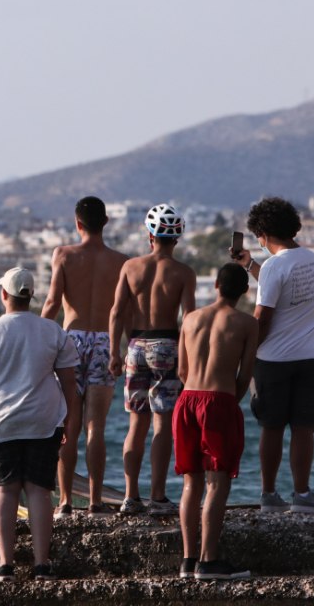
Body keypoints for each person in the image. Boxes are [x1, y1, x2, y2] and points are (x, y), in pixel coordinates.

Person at [0, 267, 79, 582]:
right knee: (39, 492)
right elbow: (70, 383)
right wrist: (68, 420)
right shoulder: (52, 331)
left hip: (0, 424)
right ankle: (41, 565)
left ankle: (5, 566)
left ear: (4, 295)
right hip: (43, 422)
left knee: (5, 492)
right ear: (30, 296)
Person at [232, 196, 314, 514]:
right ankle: (302, 493)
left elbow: (263, 316)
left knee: (271, 426)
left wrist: (245, 356)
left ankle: (269, 494)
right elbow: (280, 283)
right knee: (304, 426)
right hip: (313, 356)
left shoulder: (275, 266)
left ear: (263, 234)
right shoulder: (310, 260)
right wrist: (249, 265)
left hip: (273, 359)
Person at [40, 196, 128, 517]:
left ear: (77, 224)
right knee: (97, 427)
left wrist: (35, 337)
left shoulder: (63, 255)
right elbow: (124, 312)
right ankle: (94, 501)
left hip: (71, 340)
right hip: (106, 340)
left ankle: (64, 501)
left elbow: (51, 303)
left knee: (69, 425)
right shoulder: (122, 262)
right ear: (105, 223)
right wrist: (124, 349)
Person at [108, 203, 197, 515]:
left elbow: (117, 311)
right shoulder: (184, 273)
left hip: (135, 345)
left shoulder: (131, 267)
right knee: (162, 425)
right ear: (177, 239)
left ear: (150, 236)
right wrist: (188, 359)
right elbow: (188, 320)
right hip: (167, 346)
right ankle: (157, 496)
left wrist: (114, 352)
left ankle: (130, 496)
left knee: (136, 423)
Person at [174, 263, 258, 581]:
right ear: (244, 292)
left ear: (216, 286)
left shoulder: (191, 318)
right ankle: (208, 561)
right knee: (217, 482)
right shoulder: (247, 323)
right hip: (219, 401)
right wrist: (226, 401)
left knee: (190, 482)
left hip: (187, 400)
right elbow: (245, 375)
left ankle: (187, 560)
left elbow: (182, 371)